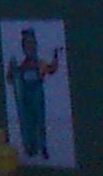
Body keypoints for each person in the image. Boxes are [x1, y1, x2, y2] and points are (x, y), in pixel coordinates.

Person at [4, 25, 64, 162]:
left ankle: (42, 147)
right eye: (26, 44)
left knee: (40, 123)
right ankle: (30, 147)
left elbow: (51, 69)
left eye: (31, 44)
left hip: (37, 99)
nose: (29, 47)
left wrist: (55, 55)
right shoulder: (21, 66)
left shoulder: (39, 64)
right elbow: (10, 79)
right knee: (28, 123)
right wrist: (11, 69)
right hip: (26, 101)